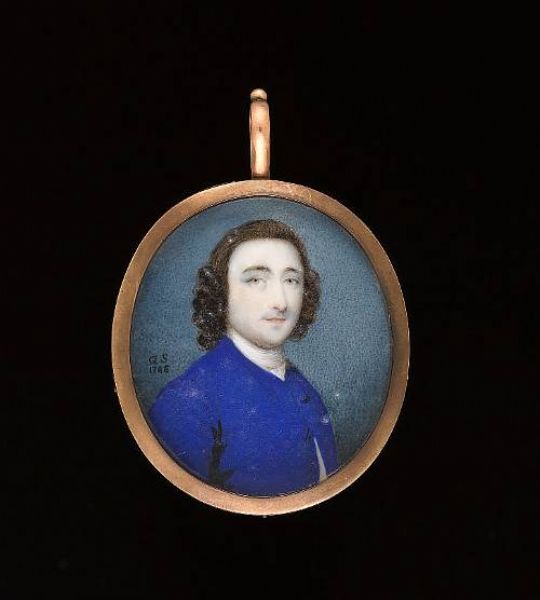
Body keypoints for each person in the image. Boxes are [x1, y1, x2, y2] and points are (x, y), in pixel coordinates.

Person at [149, 219, 338, 496]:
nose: (281, 302)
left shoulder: (301, 387)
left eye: (291, 280)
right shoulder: (186, 402)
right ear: (221, 292)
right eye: (256, 279)